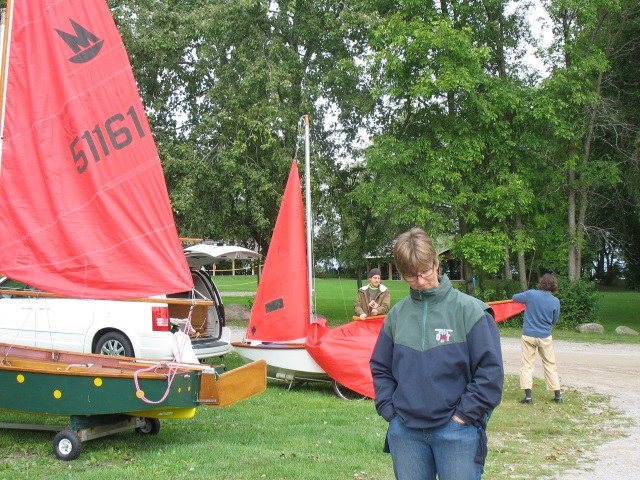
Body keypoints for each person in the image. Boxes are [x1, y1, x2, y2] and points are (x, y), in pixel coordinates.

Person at [370, 228, 503, 480]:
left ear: (436, 262)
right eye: (411, 275)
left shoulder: (471, 311)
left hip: (457, 432)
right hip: (406, 433)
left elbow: (490, 373)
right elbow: (381, 367)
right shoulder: (396, 316)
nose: (420, 281)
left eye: (425, 271)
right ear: (401, 273)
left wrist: (463, 416)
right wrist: (390, 412)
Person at [512, 273, 562, 405]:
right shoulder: (555, 301)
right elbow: (554, 321)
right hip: (545, 336)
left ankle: (528, 397)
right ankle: (558, 396)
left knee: (527, 365)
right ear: (553, 286)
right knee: (550, 364)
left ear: (541, 283)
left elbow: (514, 297)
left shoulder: (531, 294)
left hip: (528, 335)